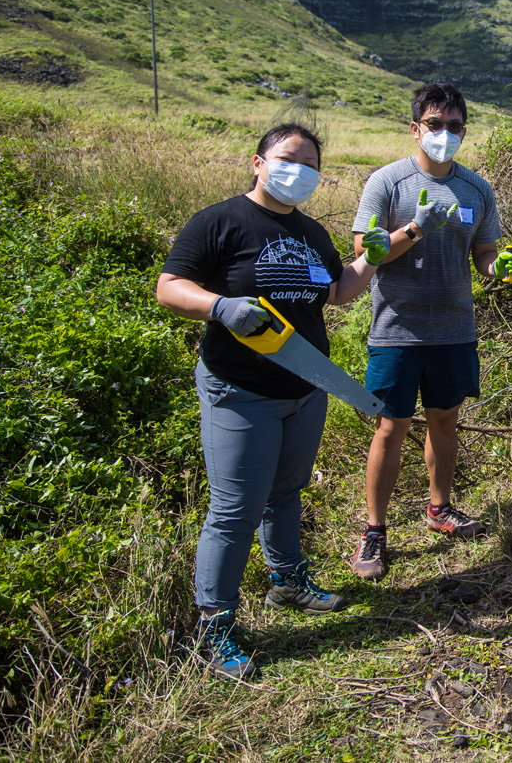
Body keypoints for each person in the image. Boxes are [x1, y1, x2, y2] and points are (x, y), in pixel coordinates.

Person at [156, 123, 393, 680]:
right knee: (234, 511)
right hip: (241, 391)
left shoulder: (311, 231)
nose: (300, 171)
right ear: (258, 162)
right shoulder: (219, 221)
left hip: (305, 389)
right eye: (289, 158)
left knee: (285, 494)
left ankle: (287, 582)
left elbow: (335, 293)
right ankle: (214, 627)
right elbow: (170, 287)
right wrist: (219, 307)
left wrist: (375, 258)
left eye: (311, 164)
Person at [345, 83, 512, 580]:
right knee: (391, 428)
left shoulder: (477, 189)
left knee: (445, 422)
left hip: (454, 329)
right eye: (434, 125)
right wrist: (414, 230)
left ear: (464, 131)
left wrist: (500, 268)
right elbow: (366, 250)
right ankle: (375, 533)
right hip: (396, 330)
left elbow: (485, 254)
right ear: (415, 128)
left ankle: (439, 509)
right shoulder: (387, 183)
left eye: (454, 126)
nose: (444, 134)